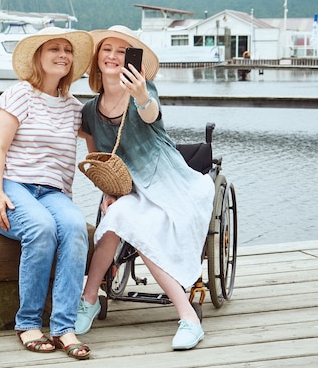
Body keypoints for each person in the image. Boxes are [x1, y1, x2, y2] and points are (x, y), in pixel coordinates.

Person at [75, 25, 215, 351]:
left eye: (122, 51)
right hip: (132, 188)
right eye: (106, 49)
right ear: (97, 59)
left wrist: (139, 95)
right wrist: (109, 193)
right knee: (113, 218)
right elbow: (100, 159)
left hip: (170, 180)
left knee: (138, 227)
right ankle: (90, 298)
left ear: (131, 60)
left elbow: (151, 115)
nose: (112, 55)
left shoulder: (144, 89)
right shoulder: (89, 111)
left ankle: (189, 319)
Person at [0, 27, 93, 360]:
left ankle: (64, 327)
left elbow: (102, 139)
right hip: (5, 184)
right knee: (41, 228)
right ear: (38, 57)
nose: (62, 55)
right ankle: (27, 323)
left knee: (74, 228)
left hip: (51, 192)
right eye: (54, 48)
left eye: (68, 50)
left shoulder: (73, 108)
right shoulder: (19, 95)